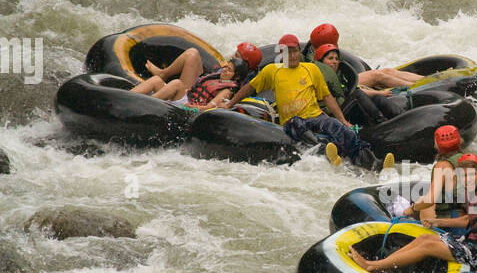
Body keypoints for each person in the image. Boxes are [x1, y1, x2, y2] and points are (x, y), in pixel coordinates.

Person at [226, 33, 390, 169]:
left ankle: (373, 163)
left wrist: (343, 120)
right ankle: (326, 152)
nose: (293, 55)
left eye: (295, 51)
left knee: (342, 130)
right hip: (292, 120)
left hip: (316, 115)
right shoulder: (272, 71)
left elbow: (327, 97)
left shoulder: (311, 69)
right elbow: (249, 88)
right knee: (297, 126)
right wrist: (229, 105)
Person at [348, 153, 477, 273]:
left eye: (473, 175)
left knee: (428, 246)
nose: (468, 179)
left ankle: (371, 266)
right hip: (470, 243)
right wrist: (436, 221)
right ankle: (382, 264)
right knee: (424, 237)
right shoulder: (473, 192)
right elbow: (468, 221)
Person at [130, 43, 262, 107]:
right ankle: (127, 97)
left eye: (237, 56)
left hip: (187, 101)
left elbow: (211, 106)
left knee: (176, 84)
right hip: (189, 93)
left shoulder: (233, 87)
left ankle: (143, 105)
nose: (233, 56)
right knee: (156, 80)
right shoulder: (226, 73)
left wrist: (193, 107)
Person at [304, 23, 426, 92]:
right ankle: (419, 87)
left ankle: (427, 79)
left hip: (340, 80)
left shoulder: (314, 49)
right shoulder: (313, 58)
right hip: (336, 86)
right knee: (377, 76)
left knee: (387, 71)